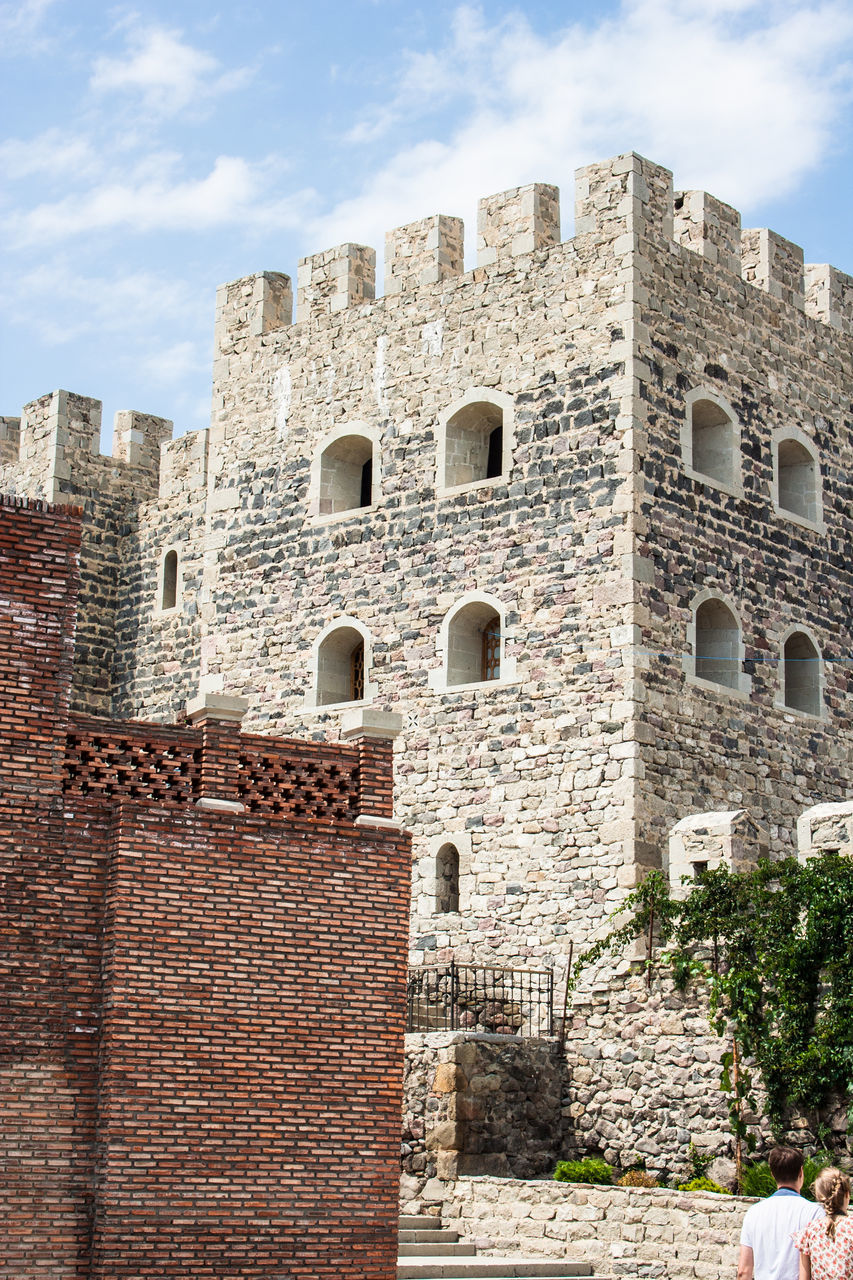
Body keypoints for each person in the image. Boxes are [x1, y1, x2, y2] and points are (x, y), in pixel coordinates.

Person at [738, 1147, 822, 1280]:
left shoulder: (753, 1213)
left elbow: (743, 1271)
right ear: (801, 1172)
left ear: (772, 1174)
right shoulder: (814, 1213)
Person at [793, 1166, 853, 1279]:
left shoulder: (810, 1231)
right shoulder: (850, 1227)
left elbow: (804, 1277)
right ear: (847, 1194)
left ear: (820, 1196)